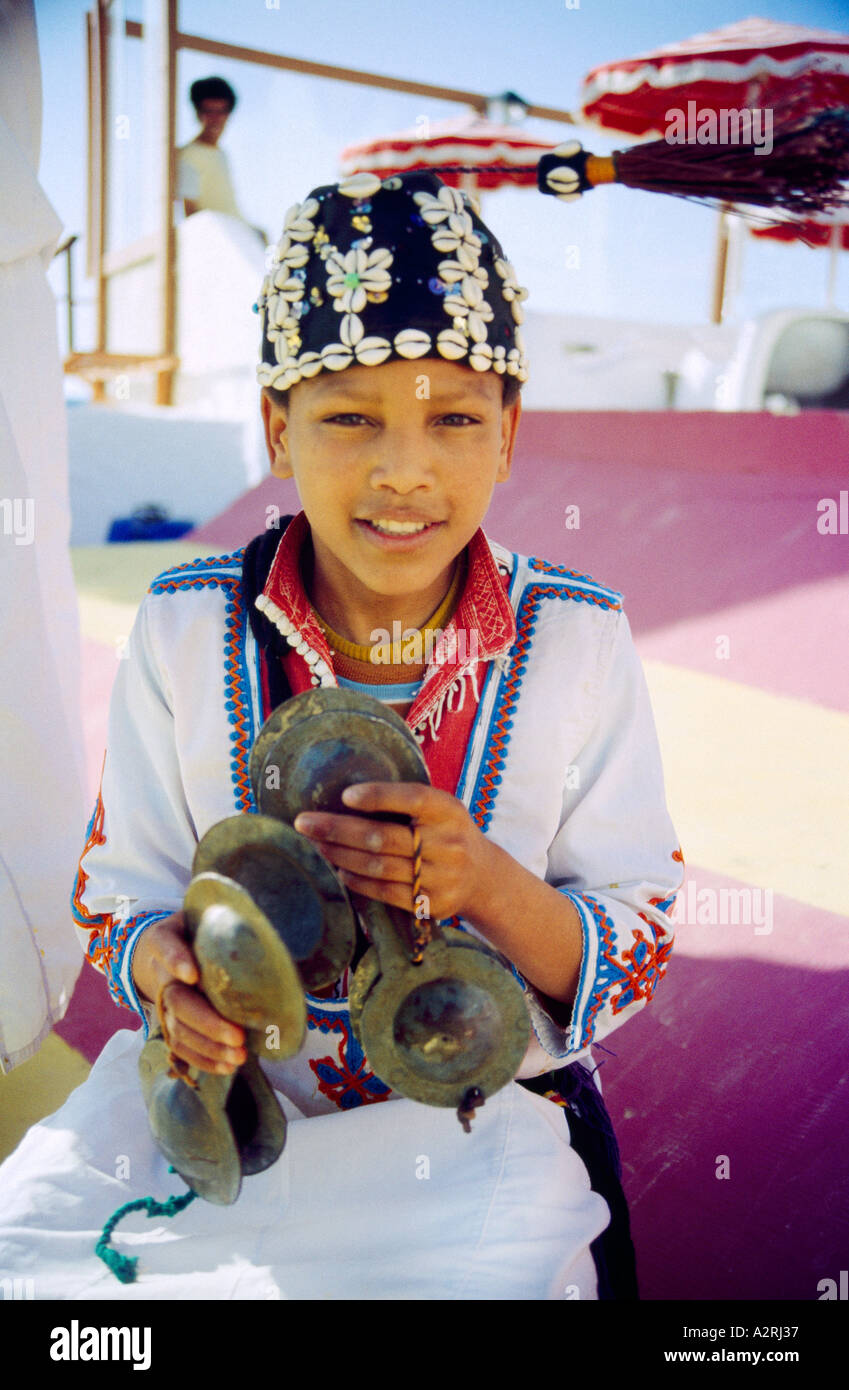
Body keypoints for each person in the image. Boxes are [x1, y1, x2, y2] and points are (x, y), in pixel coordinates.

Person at [0, 170, 683, 1300]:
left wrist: (489, 882)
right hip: (223, 1117)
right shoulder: (184, 625)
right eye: (350, 415)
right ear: (278, 426)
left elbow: (638, 932)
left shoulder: (578, 639)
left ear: (509, 435)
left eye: (454, 419)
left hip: (476, 1131)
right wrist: (166, 977)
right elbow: (119, 892)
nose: (404, 468)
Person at [177, 76, 242, 220]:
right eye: (209, 111)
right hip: (214, 238)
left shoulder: (221, 154)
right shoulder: (188, 155)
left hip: (235, 231)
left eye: (221, 111)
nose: (215, 119)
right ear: (198, 113)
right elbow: (191, 215)